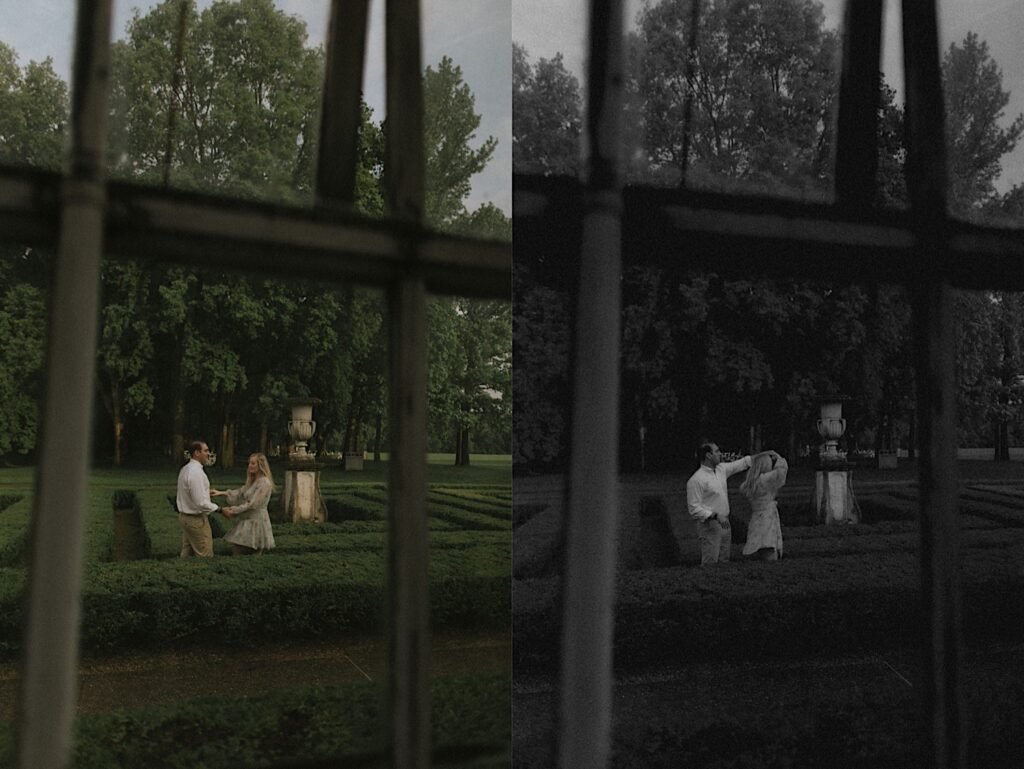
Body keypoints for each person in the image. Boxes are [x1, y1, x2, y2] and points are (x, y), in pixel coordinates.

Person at [686, 441, 752, 565]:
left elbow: (742, 463)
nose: (720, 454)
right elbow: (694, 508)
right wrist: (715, 515)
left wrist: (764, 457)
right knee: (710, 561)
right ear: (708, 456)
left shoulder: (721, 469)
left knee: (724, 560)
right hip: (710, 524)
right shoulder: (696, 480)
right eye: (716, 451)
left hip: (724, 522)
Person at [212, 452, 276, 555]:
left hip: (257, 522)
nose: (250, 466)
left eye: (253, 463)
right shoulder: (253, 481)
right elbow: (239, 493)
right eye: (249, 463)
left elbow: (253, 504)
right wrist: (220, 492)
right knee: (237, 551)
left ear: (260, 465)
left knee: (252, 552)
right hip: (247, 520)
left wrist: (233, 510)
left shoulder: (264, 483)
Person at [740, 449, 788, 561]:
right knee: (769, 549)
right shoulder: (764, 480)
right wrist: (778, 456)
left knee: (760, 549)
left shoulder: (749, 484)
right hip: (768, 518)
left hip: (756, 518)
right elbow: (782, 470)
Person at [176, 440, 221, 558]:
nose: (208, 454)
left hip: (185, 518)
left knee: (187, 553)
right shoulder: (195, 473)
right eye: (205, 451)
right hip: (195, 520)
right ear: (196, 452)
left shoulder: (186, 469)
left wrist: (205, 492)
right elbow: (200, 503)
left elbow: (189, 493)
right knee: (205, 555)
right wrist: (220, 509)